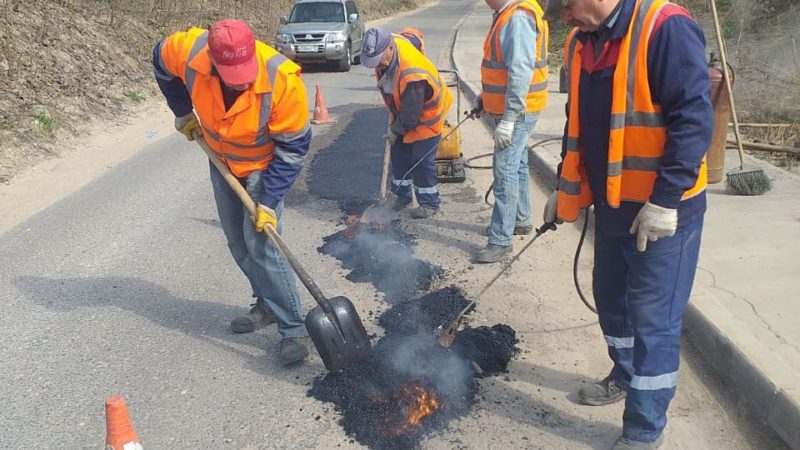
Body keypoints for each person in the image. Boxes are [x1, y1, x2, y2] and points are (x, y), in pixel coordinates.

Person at [545, 0, 712, 448]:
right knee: (611, 299)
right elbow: (575, 123)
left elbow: (694, 120)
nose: (563, 18)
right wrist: (565, 188)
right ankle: (624, 373)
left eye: (564, 6)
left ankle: (642, 430)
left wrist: (665, 199)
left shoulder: (665, 27)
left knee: (653, 319)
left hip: (663, 213)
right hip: (614, 205)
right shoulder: (581, 43)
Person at [152, 19, 312, 366]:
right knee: (237, 243)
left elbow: (293, 149)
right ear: (213, 61)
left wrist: (268, 201)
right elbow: (159, 61)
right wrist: (182, 111)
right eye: (231, 75)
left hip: (262, 171)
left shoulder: (283, 80)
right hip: (222, 162)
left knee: (263, 248)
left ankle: (293, 329)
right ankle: (267, 304)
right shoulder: (189, 51)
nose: (241, 82)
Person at [473, 0, 549, 263]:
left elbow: (520, 71)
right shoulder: (505, 14)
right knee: (517, 163)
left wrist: (509, 119)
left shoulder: (517, 19)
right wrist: (485, 96)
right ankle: (520, 219)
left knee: (504, 167)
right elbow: (500, 67)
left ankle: (501, 240)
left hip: (519, 109)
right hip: (517, 107)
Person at [359, 27, 453, 219]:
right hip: (405, 109)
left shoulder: (412, 73)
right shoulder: (387, 41)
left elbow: (411, 115)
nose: (376, 66)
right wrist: (395, 122)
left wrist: (395, 130)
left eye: (378, 60)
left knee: (420, 159)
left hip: (428, 114)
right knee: (399, 154)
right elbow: (411, 34)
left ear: (390, 49)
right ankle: (401, 196)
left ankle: (429, 202)